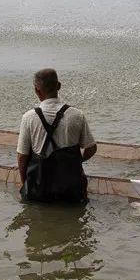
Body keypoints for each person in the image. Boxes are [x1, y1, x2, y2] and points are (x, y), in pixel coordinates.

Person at [16, 68, 97, 203]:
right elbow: (91, 148)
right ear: (59, 86)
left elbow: (22, 156)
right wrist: (77, 161)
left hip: (39, 190)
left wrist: (25, 184)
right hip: (71, 191)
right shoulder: (77, 115)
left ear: (37, 90)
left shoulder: (29, 117)